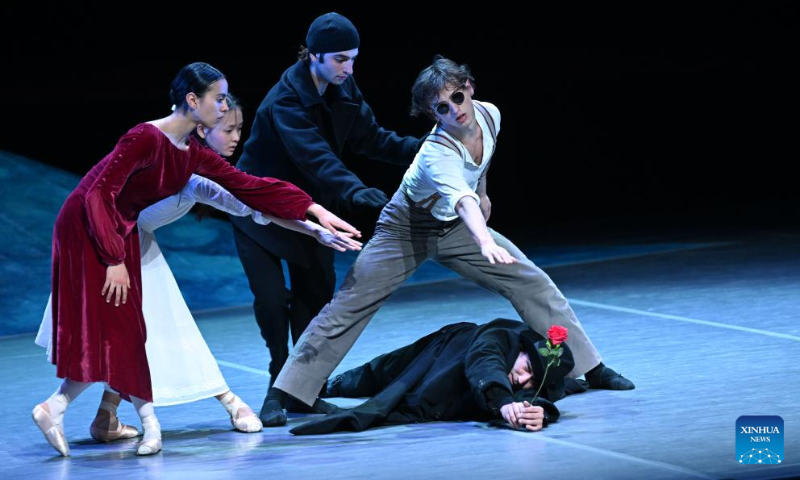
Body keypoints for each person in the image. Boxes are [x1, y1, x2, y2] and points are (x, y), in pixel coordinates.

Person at [271, 56, 634, 413]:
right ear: (433, 115)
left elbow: (478, 169)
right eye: (441, 108)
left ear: (469, 89)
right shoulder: (436, 152)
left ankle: (590, 367)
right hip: (406, 227)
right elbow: (460, 200)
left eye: (456, 98)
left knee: (532, 282)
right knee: (350, 303)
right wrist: (485, 239)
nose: (453, 111)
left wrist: (484, 192)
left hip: (456, 227)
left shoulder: (490, 114)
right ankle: (288, 391)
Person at [32, 62, 359, 457]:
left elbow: (250, 189)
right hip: (89, 228)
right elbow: (98, 196)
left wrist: (312, 210)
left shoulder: (191, 156)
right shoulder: (144, 138)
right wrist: (113, 257)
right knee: (119, 329)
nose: (225, 108)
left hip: (123, 233)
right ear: (193, 101)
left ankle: (76, 412)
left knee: (125, 332)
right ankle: (91, 414)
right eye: (219, 100)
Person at [229, 12, 425, 426]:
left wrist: (422, 148)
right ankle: (276, 388)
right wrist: (354, 191)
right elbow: (315, 157)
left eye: (353, 58)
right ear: (313, 55)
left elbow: (370, 137)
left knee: (314, 301)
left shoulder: (344, 87)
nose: (349, 68)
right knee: (271, 301)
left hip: (311, 213)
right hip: (259, 210)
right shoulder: (285, 99)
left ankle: (306, 390)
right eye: (340, 59)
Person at [291, 319, 574, 435]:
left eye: (531, 382)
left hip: (445, 398)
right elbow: (484, 361)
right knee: (378, 374)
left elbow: (538, 401)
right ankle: (316, 386)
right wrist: (502, 401)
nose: (522, 381)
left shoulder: (532, 382)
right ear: (523, 352)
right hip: (443, 352)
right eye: (525, 369)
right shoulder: (499, 338)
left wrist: (540, 413)